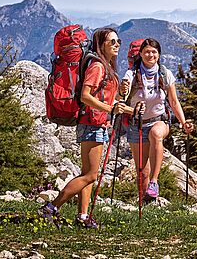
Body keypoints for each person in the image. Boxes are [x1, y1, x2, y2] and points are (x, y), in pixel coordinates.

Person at [39, 27, 141, 228]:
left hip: (96, 122)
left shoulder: (106, 66)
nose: (117, 44)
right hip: (92, 124)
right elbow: (86, 96)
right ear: (101, 44)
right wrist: (111, 108)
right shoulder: (97, 66)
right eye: (112, 42)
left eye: (118, 41)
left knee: (87, 174)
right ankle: (51, 207)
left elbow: (109, 100)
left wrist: (121, 96)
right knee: (90, 175)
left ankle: (83, 217)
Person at [119, 37, 194, 200]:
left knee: (156, 134)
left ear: (159, 54)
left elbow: (174, 101)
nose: (150, 55)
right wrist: (122, 88)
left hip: (159, 120)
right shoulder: (132, 74)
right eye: (146, 52)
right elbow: (123, 94)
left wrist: (183, 122)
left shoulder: (165, 74)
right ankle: (144, 202)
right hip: (136, 125)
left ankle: (155, 181)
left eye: (154, 52)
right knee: (142, 171)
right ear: (141, 54)